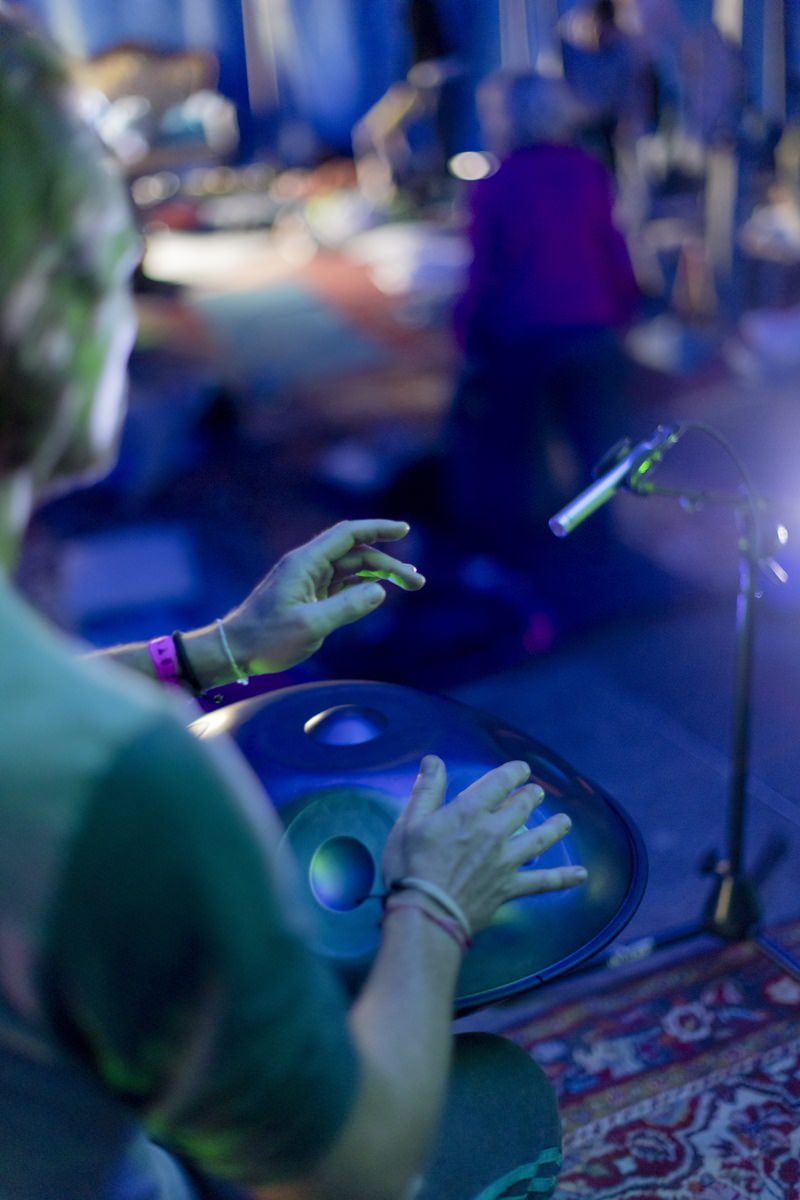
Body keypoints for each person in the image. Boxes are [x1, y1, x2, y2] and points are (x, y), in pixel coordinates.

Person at [0, 13, 588, 1200]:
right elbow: (348, 1174)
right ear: (45, 328)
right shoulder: (127, 785)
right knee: (495, 1099)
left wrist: (215, 652)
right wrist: (433, 902)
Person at [447, 69, 640, 565]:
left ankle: (528, 555)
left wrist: (466, 335)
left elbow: (486, 275)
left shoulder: (497, 185)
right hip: (592, 329)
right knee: (597, 448)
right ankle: (604, 551)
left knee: (516, 450)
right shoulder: (587, 171)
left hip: (525, 339)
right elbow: (612, 250)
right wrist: (623, 312)